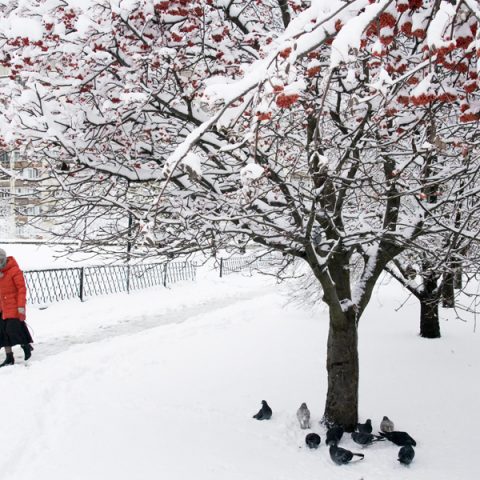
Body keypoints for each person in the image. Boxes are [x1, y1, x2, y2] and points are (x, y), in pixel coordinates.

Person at [0, 248, 33, 367]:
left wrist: (20, 306)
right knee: (2, 333)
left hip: (13, 305)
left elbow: (21, 289)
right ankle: (9, 357)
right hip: (1, 307)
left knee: (12, 330)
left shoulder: (14, 271)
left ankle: (25, 345)